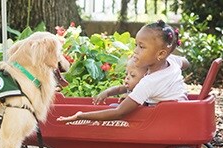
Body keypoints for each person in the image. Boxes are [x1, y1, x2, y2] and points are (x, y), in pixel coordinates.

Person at [57, 20, 189, 122]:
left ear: (160, 54)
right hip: (179, 110)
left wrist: (81, 116)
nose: (136, 50)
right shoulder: (172, 61)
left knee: (115, 108)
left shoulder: (149, 82)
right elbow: (186, 63)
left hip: (165, 119)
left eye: (142, 47)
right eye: (136, 45)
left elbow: (119, 112)